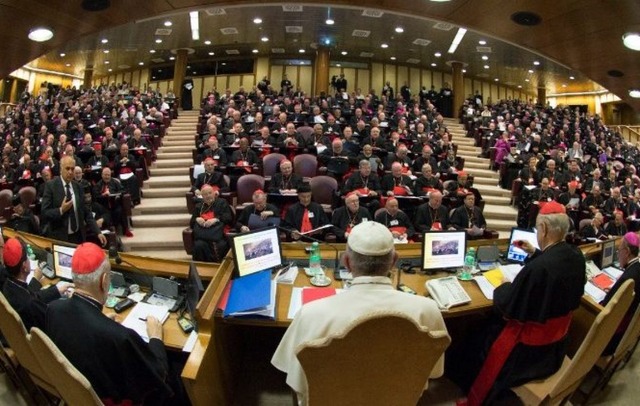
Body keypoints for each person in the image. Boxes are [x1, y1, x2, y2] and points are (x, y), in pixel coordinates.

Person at [271, 222, 448, 405]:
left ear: (347, 262)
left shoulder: (310, 314)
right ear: (394, 261)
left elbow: (294, 378)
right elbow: (434, 372)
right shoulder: (428, 310)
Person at [449, 201, 585, 405]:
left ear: (544, 228)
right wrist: (534, 253)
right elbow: (552, 271)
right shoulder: (575, 256)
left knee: (473, 335)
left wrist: (504, 285)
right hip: (554, 348)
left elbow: (506, 307)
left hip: (524, 354)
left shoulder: (538, 269)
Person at [45, 242, 174, 404]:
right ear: (104, 280)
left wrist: (102, 321)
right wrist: (155, 337)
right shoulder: (120, 336)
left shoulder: (53, 309)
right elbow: (158, 374)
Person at [2, 238, 71, 331]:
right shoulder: (30, 304)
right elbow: (54, 320)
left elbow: (32, 295)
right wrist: (71, 302)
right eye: (27, 258)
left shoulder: (8, 284)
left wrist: (57, 290)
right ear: (24, 267)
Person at [40, 155, 107, 246]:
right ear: (61, 169)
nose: (70, 172)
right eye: (67, 169)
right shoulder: (51, 186)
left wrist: (98, 232)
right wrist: (61, 210)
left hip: (78, 237)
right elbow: (45, 213)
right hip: (60, 238)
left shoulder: (78, 187)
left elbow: (86, 212)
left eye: (72, 169)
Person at [601, 232, 640, 354]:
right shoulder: (636, 267)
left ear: (627, 252)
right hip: (624, 334)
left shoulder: (628, 278)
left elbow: (606, 307)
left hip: (609, 338)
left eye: (619, 250)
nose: (618, 254)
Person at [190, 185, 233, 262]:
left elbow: (228, 218)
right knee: (198, 245)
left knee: (220, 245)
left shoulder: (222, 202)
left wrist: (216, 219)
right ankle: (202, 268)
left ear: (214, 193)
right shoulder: (199, 206)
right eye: (205, 194)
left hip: (218, 234)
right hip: (203, 235)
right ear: (202, 196)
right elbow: (191, 223)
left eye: (210, 193)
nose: (208, 196)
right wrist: (197, 218)